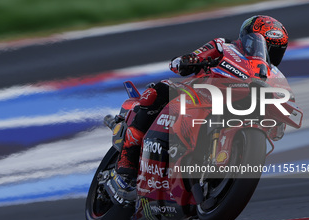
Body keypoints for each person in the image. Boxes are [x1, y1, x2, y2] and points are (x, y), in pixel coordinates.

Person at [113, 15, 289, 194]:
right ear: (247, 38)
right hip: (198, 93)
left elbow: (281, 108)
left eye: (274, 50)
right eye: (262, 45)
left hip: (236, 109)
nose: (265, 52)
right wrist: (189, 61)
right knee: (157, 92)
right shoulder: (224, 46)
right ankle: (127, 161)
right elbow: (189, 59)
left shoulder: (274, 76)